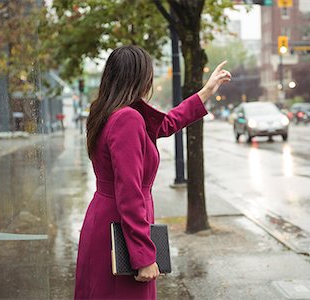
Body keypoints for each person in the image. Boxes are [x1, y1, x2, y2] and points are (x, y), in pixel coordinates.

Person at [74, 45, 231, 299]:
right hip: (123, 228)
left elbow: (166, 124)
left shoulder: (106, 112)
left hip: (104, 222)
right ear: (139, 78)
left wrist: (206, 91)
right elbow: (129, 192)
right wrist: (143, 255)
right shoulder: (128, 119)